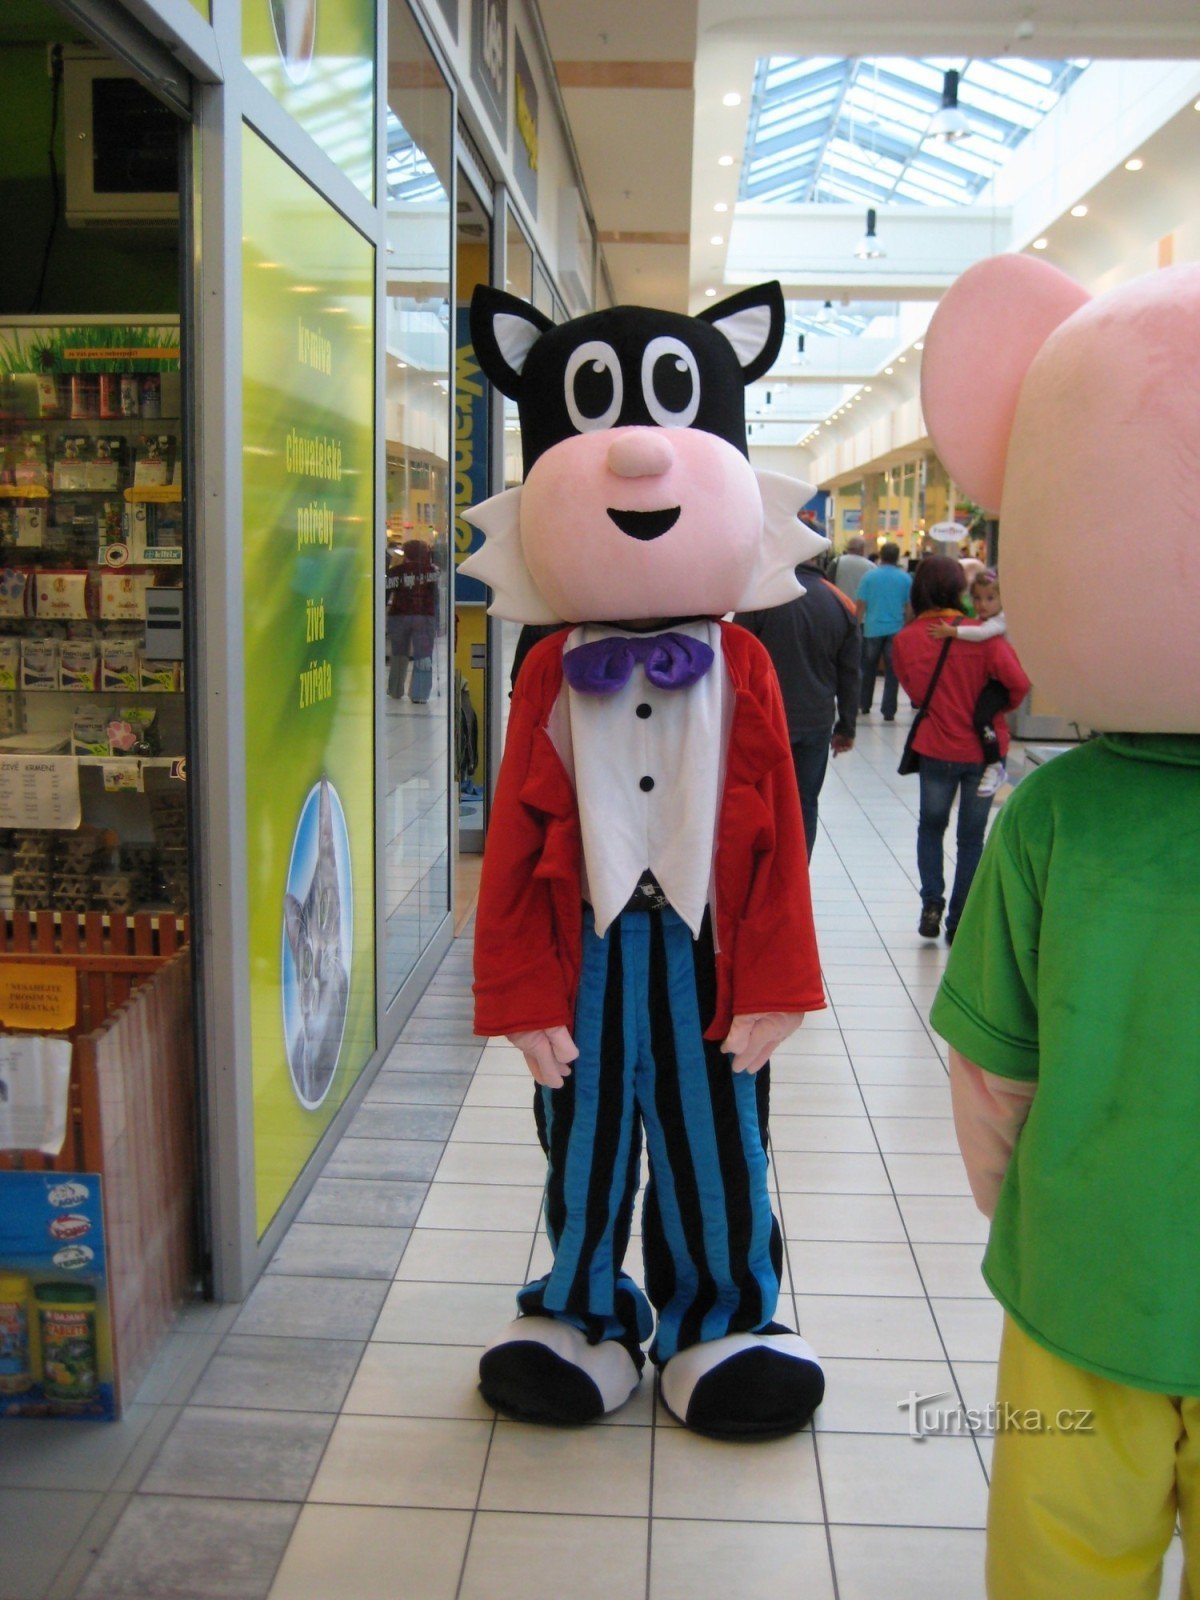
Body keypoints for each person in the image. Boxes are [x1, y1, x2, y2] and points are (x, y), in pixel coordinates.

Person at [891, 556, 1030, 943]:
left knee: (931, 827)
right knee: (971, 837)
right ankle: (960, 919)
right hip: (984, 753)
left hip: (936, 747)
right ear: (958, 590)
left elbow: (916, 694)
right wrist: (994, 710)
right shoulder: (983, 635)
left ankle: (931, 904)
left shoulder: (905, 640)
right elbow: (1019, 683)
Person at [736, 558, 860, 858]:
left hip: (764, 722)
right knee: (805, 802)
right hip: (816, 721)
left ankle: (764, 869)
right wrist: (846, 727)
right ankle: (798, 869)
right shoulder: (839, 602)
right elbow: (850, 672)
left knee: (762, 799)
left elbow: (737, 657)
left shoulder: (762, 595)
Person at [928, 569, 1013, 795]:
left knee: (982, 718)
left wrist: (952, 631)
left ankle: (994, 764)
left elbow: (982, 634)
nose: (982, 604)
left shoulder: (1001, 620)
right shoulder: (986, 619)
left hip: (1002, 682)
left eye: (990, 598)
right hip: (994, 679)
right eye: (977, 598)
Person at [855, 540, 911, 719]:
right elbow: (909, 607)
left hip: (872, 628)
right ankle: (889, 711)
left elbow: (861, 604)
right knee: (892, 672)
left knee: (868, 668)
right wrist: (907, 625)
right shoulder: (905, 578)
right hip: (896, 629)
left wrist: (855, 626)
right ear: (897, 557)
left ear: (881, 555)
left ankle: (864, 704)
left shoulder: (869, 577)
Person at [386, 537, 437, 701]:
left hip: (398, 615)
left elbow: (386, 594)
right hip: (424, 616)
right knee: (423, 655)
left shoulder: (395, 571)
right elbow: (435, 597)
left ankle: (395, 690)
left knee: (399, 654)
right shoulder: (431, 572)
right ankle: (419, 694)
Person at [828, 534, 872, 602]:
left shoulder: (836, 562)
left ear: (847, 548)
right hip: (862, 606)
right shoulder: (871, 566)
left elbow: (828, 584)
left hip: (841, 604)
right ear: (862, 549)